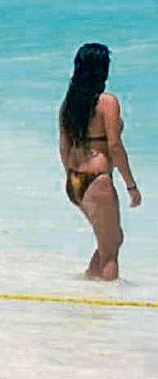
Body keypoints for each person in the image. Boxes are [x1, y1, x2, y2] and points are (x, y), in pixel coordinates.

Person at [59, 43, 141, 281]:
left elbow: (64, 148)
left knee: (112, 240)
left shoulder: (69, 104)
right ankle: (106, 310)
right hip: (98, 181)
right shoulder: (107, 102)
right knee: (111, 252)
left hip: (74, 180)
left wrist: (73, 180)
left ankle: (89, 286)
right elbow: (115, 146)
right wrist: (131, 185)